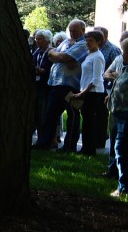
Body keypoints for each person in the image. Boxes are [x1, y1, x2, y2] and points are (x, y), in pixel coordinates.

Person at [35, 20, 88, 151]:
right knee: (50, 115)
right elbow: (51, 55)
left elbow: (64, 57)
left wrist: (58, 56)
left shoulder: (83, 44)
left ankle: (69, 146)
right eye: (70, 30)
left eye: (75, 30)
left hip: (71, 86)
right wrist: (58, 55)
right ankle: (44, 143)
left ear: (82, 30)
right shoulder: (66, 42)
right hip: (55, 83)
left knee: (72, 116)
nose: (72, 33)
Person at [67, 31, 107, 155]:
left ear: (98, 42)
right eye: (87, 40)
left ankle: (89, 149)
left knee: (89, 122)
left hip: (93, 92)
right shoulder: (90, 55)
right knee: (87, 121)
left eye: (91, 40)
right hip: (86, 91)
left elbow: (96, 79)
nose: (88, 43)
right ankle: (86, 147)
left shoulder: (98, 57)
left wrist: (82, 93)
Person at [107, 38, 128, 197]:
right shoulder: (126, 68)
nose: (123, 54)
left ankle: (123, 188)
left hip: (126, 116)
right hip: (118, 114)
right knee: (119, 148)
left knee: (122, 150)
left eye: (125, 51)